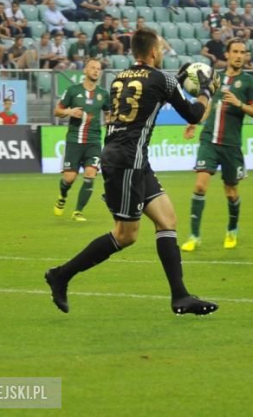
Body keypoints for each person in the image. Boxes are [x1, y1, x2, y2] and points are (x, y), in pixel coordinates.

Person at [45, 28, 220, 316]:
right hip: (127, 161)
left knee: (167, 220)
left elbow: (151, 96)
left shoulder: (119, 78)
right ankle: (61, 275)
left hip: (129, 157)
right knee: (126, 235)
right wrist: (205, 90)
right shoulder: (160, 78)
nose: (162, 52)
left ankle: (180, 297)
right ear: (153, 51)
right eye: (161, 48)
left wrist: (178, 79)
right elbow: (194, 114)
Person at [181, 38, 253, 251]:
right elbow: (208, 107)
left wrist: (239, 104)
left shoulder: (249, 83)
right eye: (235, 51)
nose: (238, 55)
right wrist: (194, 122)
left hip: (231, 145)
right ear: (227, 54)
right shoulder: (214, 79)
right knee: (200, 185)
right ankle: (194, 236)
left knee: (231, 192)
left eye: (242, 52)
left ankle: (232, 230)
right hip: (209, 141)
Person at [53, 60, 110, 222]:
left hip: (94, 141)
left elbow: (108, 111)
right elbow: (57, 111)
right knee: (69, 178)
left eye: (98, 69)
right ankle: (62, 196)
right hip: (74, 141)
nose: (96, 71)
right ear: (85, 70)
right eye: (93, 68)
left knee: (90, 174)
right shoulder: (73, 90)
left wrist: (109, 119)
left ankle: (78, 211)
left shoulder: (103, 94)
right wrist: (69, 111)